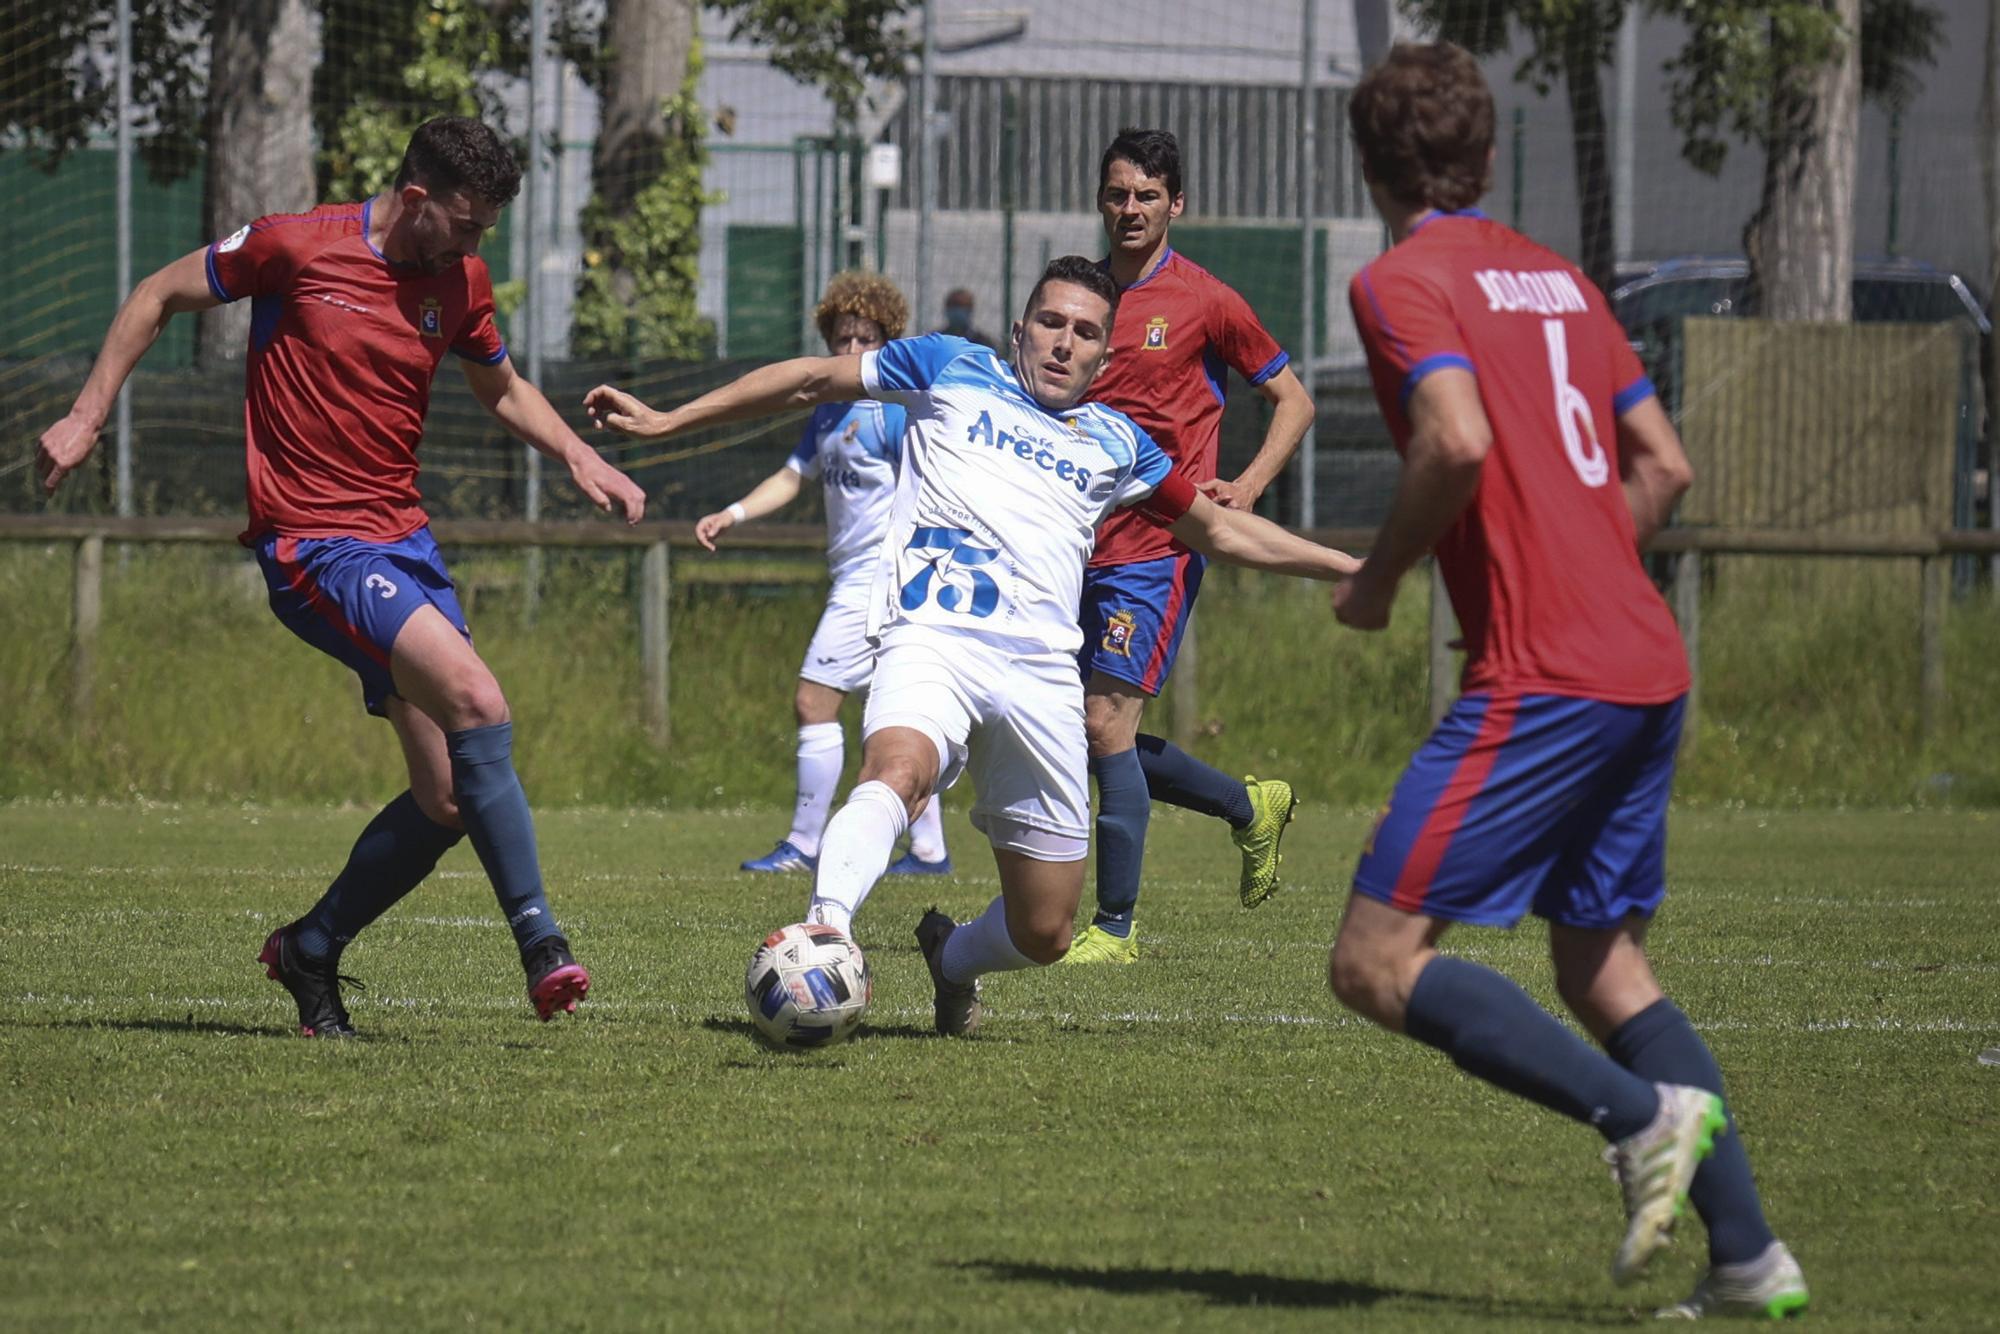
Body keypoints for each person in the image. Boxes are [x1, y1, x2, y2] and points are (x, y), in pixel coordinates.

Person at [1326, 44, 1806, 1316]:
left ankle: (1636, 1114)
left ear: (1369, 164)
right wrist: (1587, 559)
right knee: (1599, 963)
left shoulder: (1396, 280)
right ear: (1483, 157)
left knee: (1374, 960)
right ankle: (1750, 1255)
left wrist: (1378, 575)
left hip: (1544, 676)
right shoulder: (1560, 280)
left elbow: (1457, 438)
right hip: (1643, 657)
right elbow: (1663, 464)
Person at [584, 257, 1356, 1029]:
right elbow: (813, 381)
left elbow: (1219, 529)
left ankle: (950, 960)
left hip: (1042, 678)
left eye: (1085, 332)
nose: (1064, 342)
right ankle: (825, 932)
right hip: (934, 642)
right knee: (899, 768)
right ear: (1020, 329)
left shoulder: (1117, 443)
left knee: (1047, 929)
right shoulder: (948, 364)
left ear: (1105, 355)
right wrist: (665, 419)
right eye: (1051, 322)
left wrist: (1352, 568)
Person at [34, 117, 648, 1038]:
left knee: (447, 796)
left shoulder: (461, 279)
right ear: (414, 199)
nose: (479, 244)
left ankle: (311, 948)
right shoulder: (296, 246)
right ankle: (542, 945)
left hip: (403, 544)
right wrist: (87, 415)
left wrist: (575, 455)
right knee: (479, 701)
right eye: (469, 222)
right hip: (313, 545)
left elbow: (501, 384)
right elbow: (158, 294)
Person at [1066, 127, 1320, 966]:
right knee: (1078, 732)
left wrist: (1245, 486)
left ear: (1176, 203)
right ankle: (1251, 810)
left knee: (1105, 722)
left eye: (1146, 195)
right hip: (1071, 547)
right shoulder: (1078, 300)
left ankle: (1114, 929)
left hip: (1158, 548)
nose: (1129, 209)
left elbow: (1293, 400)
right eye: (1116, 194)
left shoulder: (1207, 300)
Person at [700, 271, 951, 880]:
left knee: (814, 699)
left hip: (881, 577)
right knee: (897, 713)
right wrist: (732, 513)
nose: (852, 352)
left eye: (867, 339)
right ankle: (928, 852)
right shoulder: (829, 412)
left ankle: (804, 844)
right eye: (843, 339)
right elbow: (792, 477)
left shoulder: (894, 412)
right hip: (855, 577)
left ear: (887, 342)